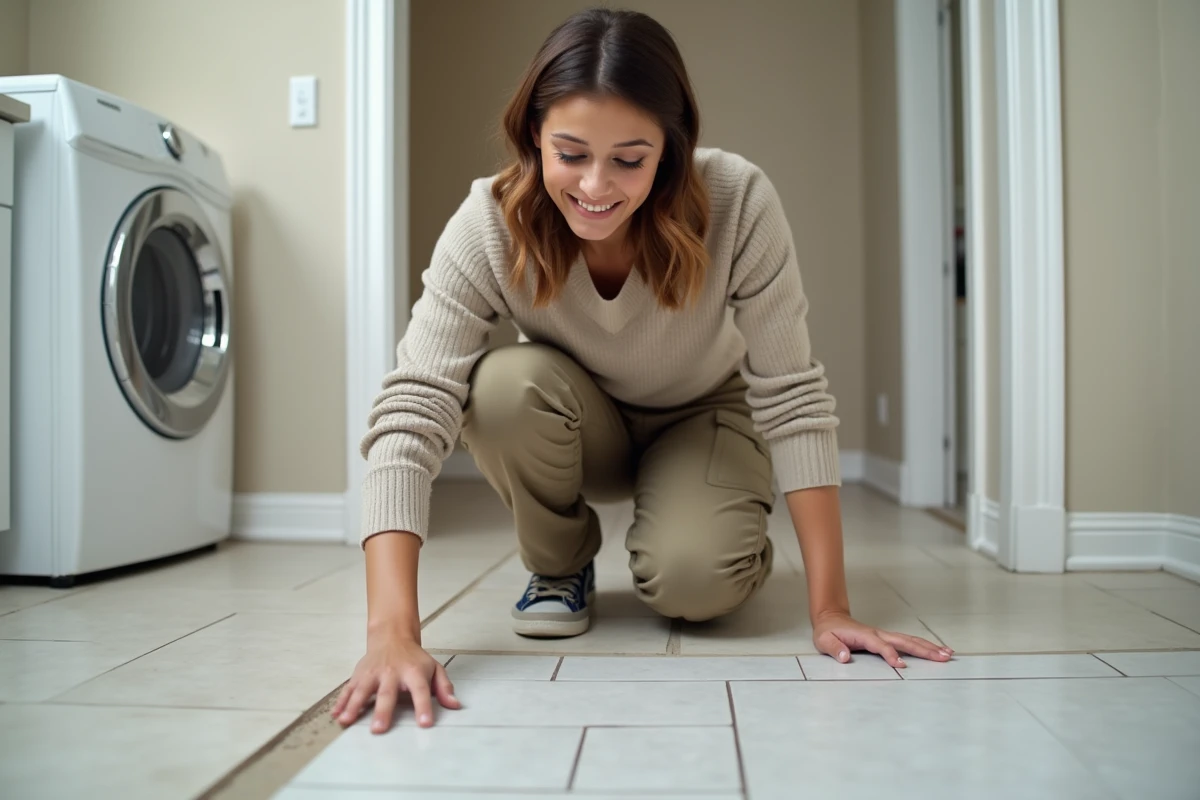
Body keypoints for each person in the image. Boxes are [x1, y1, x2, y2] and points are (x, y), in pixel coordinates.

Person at [333, 6, 952, 735]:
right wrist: (391, 633)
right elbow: (414, 405)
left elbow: (791, 396)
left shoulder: (738, 200)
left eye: (629, 159)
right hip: (573, 416)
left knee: (694, 586)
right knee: (498, 387)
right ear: (534, 134)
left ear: (671, 148)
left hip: (705, 416)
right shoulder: (489, 220)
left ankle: (699, 536)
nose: (596, 186)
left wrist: (831, 607)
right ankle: (561, 565)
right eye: (571, 153)